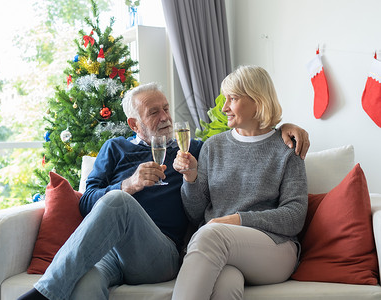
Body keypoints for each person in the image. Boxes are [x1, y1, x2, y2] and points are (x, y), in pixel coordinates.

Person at [18, 82, 309, 300]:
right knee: (84, 283)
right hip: (110, 252)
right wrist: (129, 184)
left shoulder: (191, 149)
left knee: (118, 202)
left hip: (159, 254)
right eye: (154, 112)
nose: (165, 116)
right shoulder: (114, 149)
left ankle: (43, 293)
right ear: (134, 123)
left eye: (166, 108)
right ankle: (53, 289)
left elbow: (243, 137)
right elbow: (86, 203)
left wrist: (283, 127)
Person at [171, 66, 308, 300]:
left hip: (275, 249)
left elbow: (294, 216)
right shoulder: (212, 147)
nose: (224, 108)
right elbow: (196, 215)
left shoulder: (286, 148)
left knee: (212, 235)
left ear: (258, 101)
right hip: (223, 249)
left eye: (232, 99)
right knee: (226, 284)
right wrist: (191, 178)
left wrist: (239, 220)